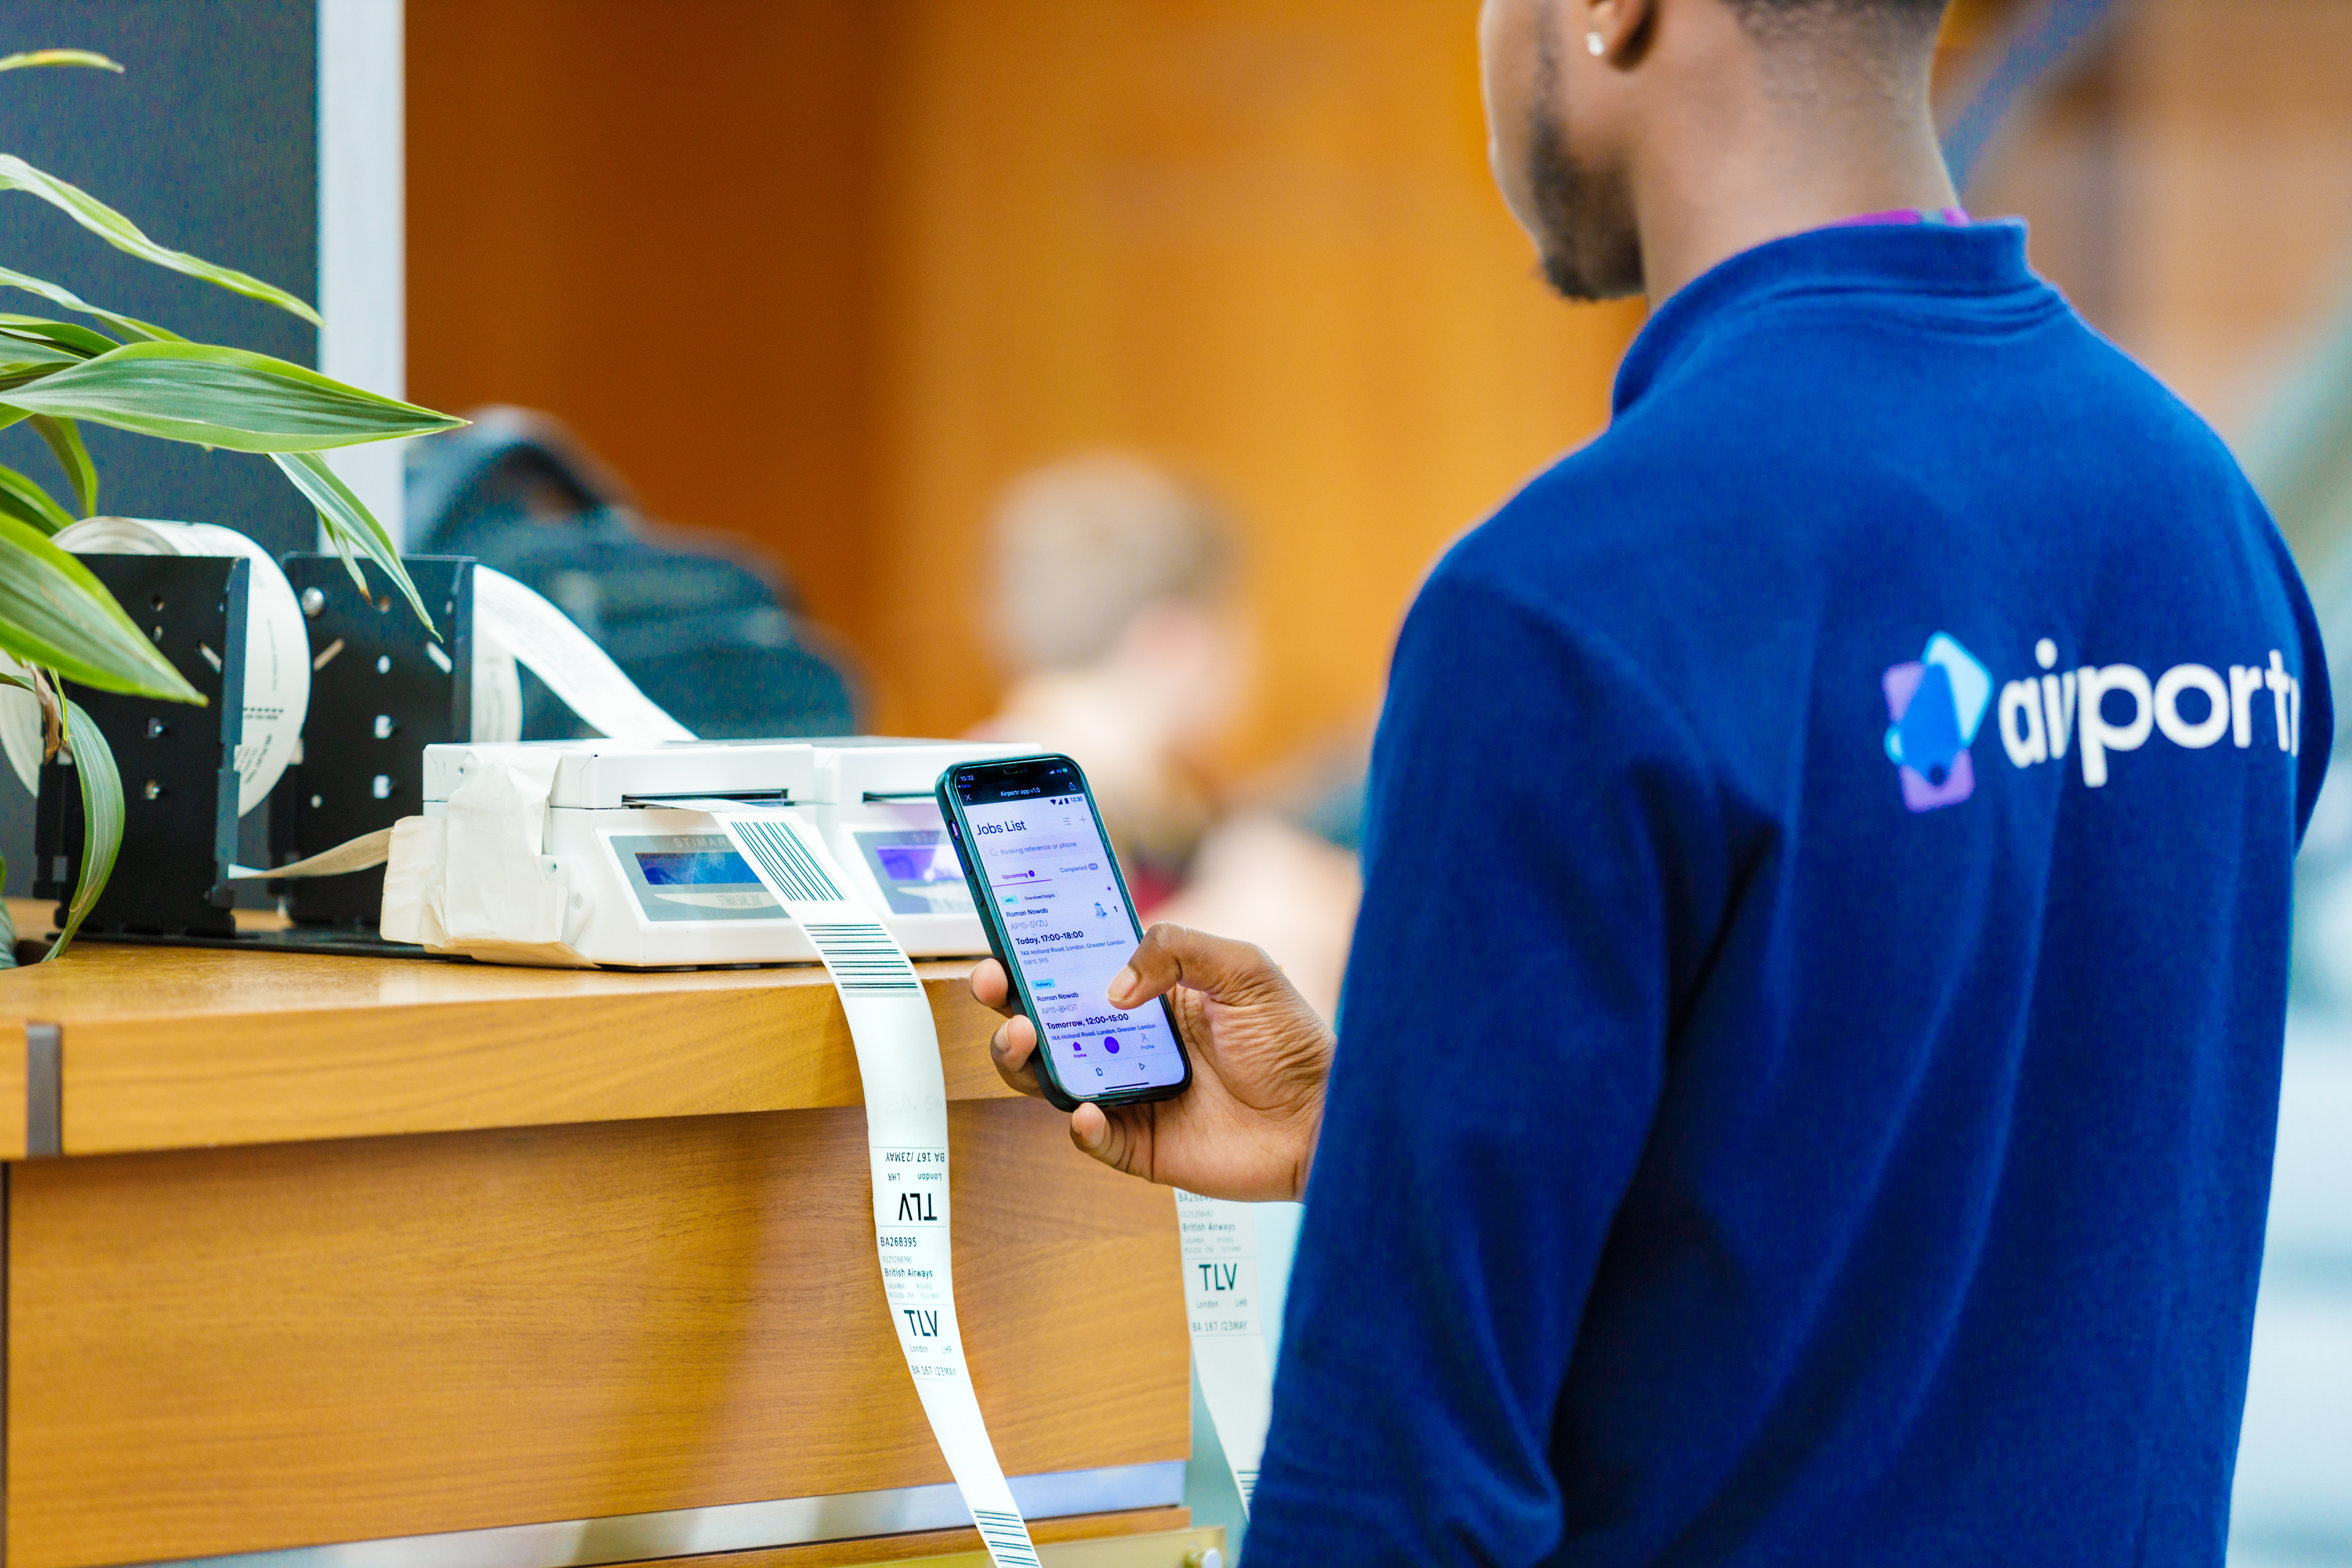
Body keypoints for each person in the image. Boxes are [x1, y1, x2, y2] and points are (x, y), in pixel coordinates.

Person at [974, 0, 2331, 1561]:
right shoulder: (2204, 520)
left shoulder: (1570, 601)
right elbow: (1932, 1168)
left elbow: (1389, 1497)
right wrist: (1395, 1140)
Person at [970, 452, 1363, 1016]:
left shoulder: (1164, 803)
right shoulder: (1017, 805)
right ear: (1176, 641)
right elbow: (1066, 1006)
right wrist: (1249, 919)